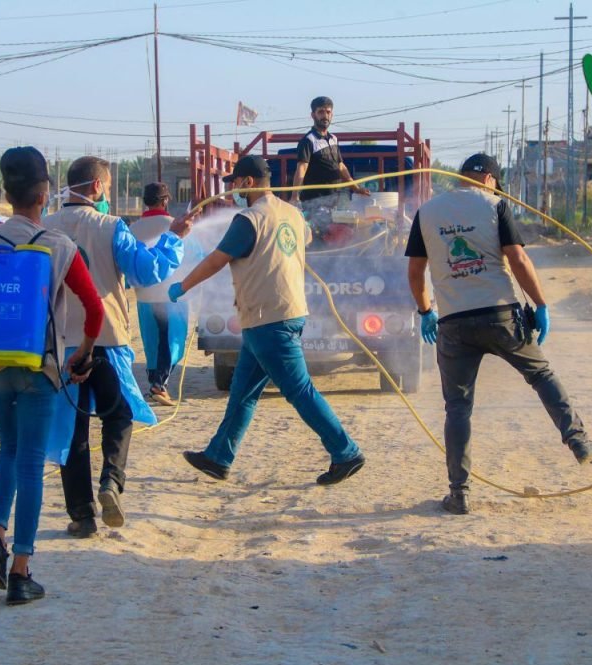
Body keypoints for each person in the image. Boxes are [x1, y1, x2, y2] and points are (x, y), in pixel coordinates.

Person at [405, 152, 592, 515]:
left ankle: (459, 493)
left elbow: (415, 272)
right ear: (489, 180)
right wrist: (540, 304)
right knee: (541, 374)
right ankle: (580, 443)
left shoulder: (427, 212)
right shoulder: (495, 205)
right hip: (501, 316)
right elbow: (517, 259)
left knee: (457, 408)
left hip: (453, 323)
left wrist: (425, 312)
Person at [170, 155, 365, 485]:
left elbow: (217, 260)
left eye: (235, 182)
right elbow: (303, 239)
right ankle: (218, 457)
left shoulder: (249, 219)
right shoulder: (292, 214)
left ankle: (346, 452)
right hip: (281, 313)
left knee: (299, 390)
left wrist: (183, 285)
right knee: (243, 392)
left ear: (248, 182)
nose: (232, 188)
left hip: (267, 318)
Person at [0, 146, 104, 605]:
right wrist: (83, 355)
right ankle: (21, 570)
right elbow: (94, 310)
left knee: (7, 449)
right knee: (30, 461)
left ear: (5, 191)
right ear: (44, 194)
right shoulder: (59, 246)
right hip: (38, 367)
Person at [44, 156, 192, 538]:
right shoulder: (111, 227)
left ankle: (82, 516)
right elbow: (147, 271)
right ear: (97, 187)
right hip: (106, 339)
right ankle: (111, 480)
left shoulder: (45, 228)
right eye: (108, 187)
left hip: (62, 346)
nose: (107, 194)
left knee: (73, 431)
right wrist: (174, 238)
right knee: (119, 414)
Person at [130, 182, 205, 406]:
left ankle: (155, 383)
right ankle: (159, 385)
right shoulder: (176, 226)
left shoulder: (133, 229)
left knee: (152, 343)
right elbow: (196, 256)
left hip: (144, 297)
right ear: (165, 200)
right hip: (171, 297)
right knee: (172, 341)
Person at [288, 96, 370, 208]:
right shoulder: (308, 140)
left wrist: (356, 189)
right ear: (313, 115)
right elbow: (301, 169)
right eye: (321, 112)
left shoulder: (333, 139)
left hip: (334, 199)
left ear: (332, 115)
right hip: (315, 201)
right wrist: (295, 196)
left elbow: (341, 166)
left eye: (328, 112)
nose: (325, 116)